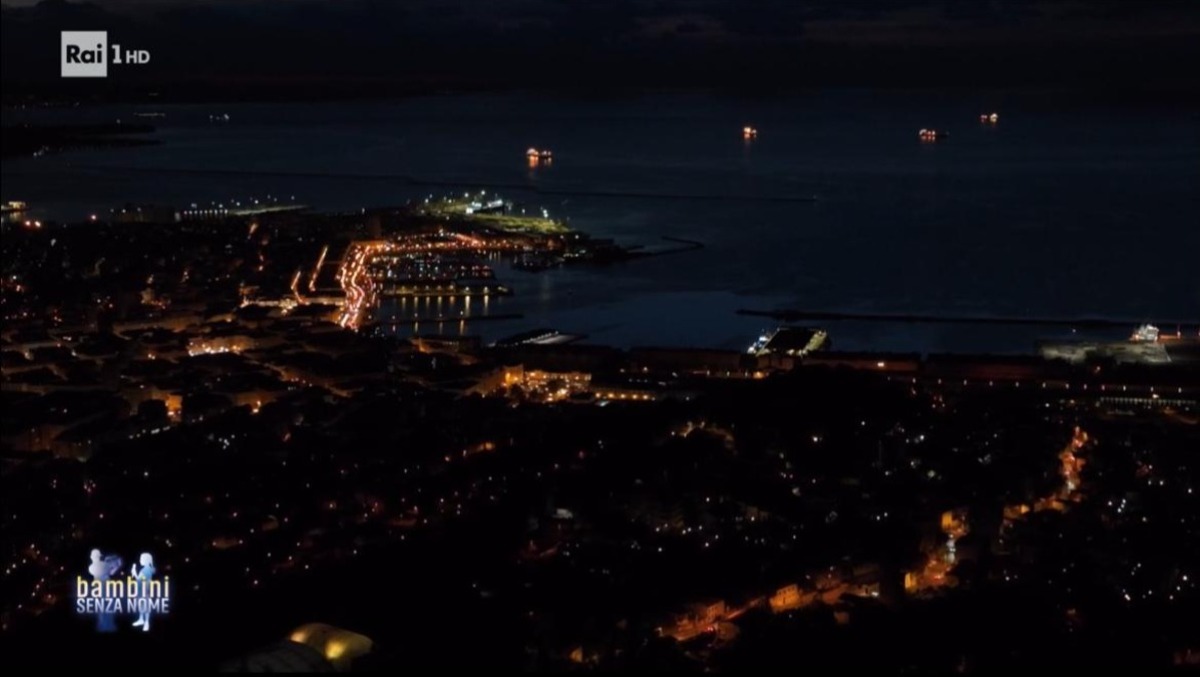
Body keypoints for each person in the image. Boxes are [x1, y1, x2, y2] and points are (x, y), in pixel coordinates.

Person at [87, 549, 116, 632]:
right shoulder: (104, 565)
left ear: (92, 557)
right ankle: (108, 624)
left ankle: (103, 624)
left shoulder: (91, 567)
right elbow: (110, 570)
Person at [130, 553, 156, 631]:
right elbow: (141, 580)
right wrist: (135, 574)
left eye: (141, 559)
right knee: (141, 606)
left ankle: (146, 623)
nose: (140, 560)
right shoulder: (146, 569)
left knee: (146, 607)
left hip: (145, 591)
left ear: (146, 560)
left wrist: (135, 573)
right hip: (141, 591)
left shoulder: (146, 570)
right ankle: (141, 619)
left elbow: (141, 581)